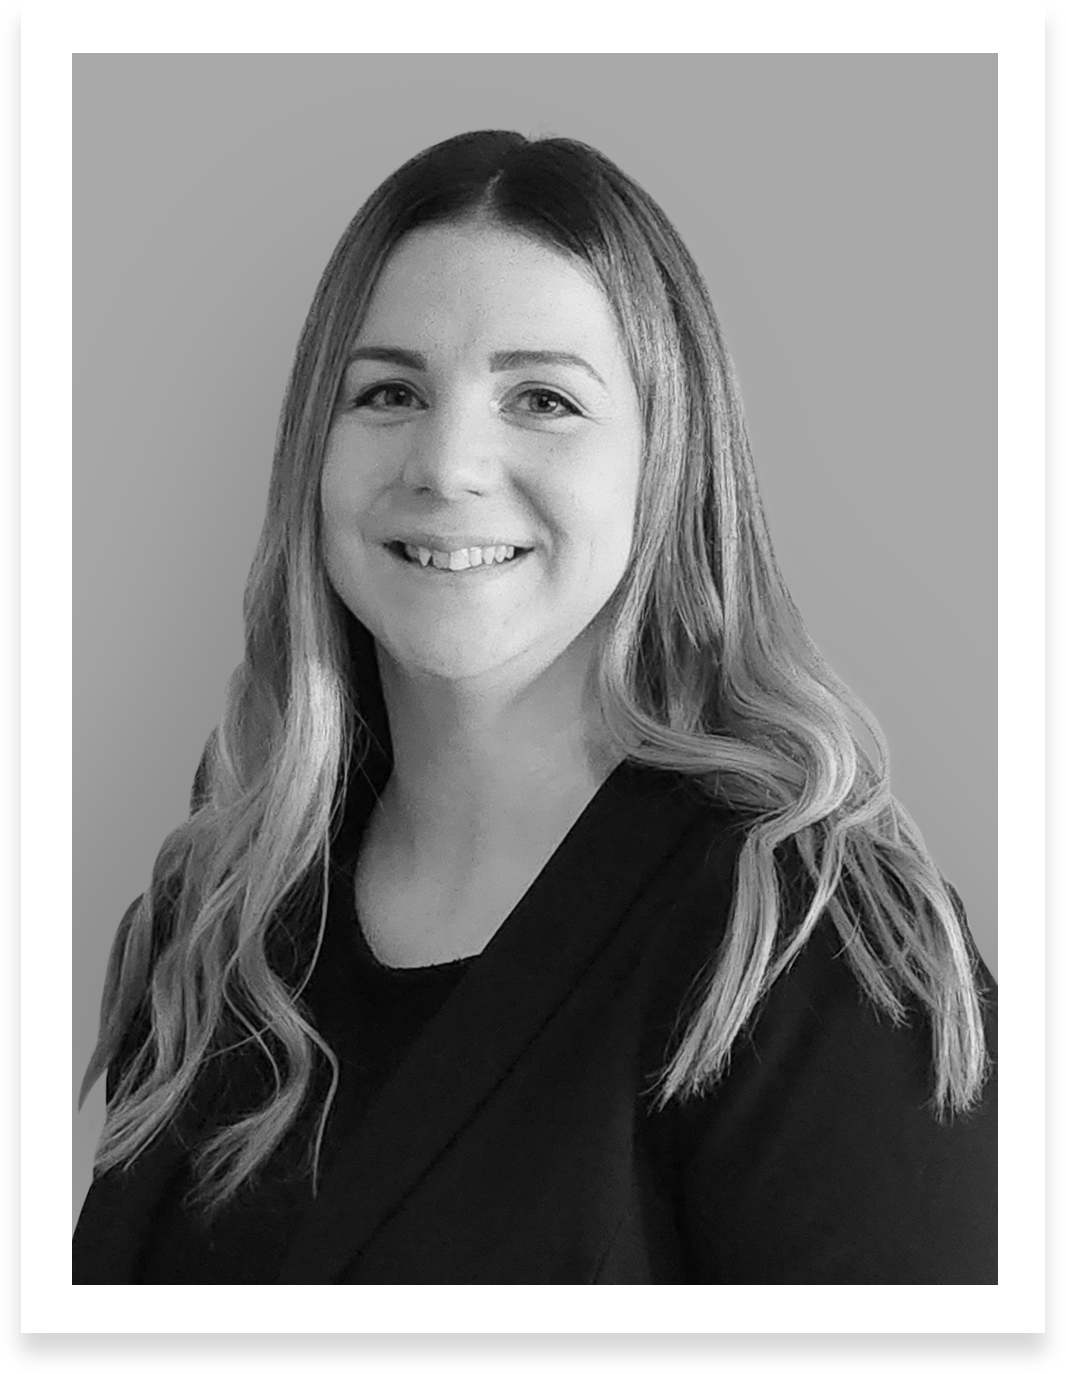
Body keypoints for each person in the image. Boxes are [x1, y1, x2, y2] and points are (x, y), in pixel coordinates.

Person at [72, 129, 996, 1285]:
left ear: (669, 464)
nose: (447, 462)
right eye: (389, 391)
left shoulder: (812, 940)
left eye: (544, 399)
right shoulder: (214, 920)